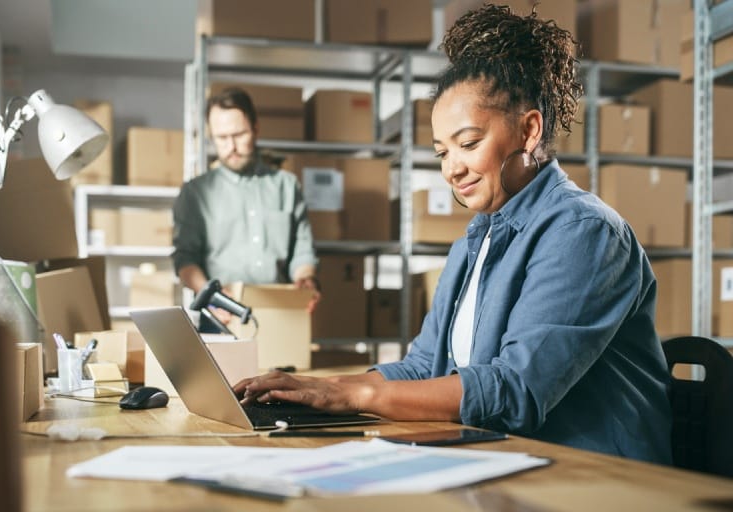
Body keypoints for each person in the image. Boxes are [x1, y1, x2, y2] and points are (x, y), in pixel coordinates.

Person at [233, 4, 672, 464]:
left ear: (529, 130)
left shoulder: (585, 233)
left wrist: (355, 397)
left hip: (598, 478)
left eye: (468, 144)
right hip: (512, 460)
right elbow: (425, 367)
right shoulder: (475, 241)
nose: (451, 168)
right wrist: (320, 387)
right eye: (442, 152)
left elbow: (515, 390)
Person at [172, 87, 320, 321]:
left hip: (280, 313)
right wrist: (210, 294)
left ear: (256, 129)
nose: (231, 146)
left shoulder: (287, 186)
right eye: (221, 138)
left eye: (239, 134)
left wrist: (305, 278)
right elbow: (185, 258)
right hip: (221, 316)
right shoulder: (195, 193)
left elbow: (302, 252)